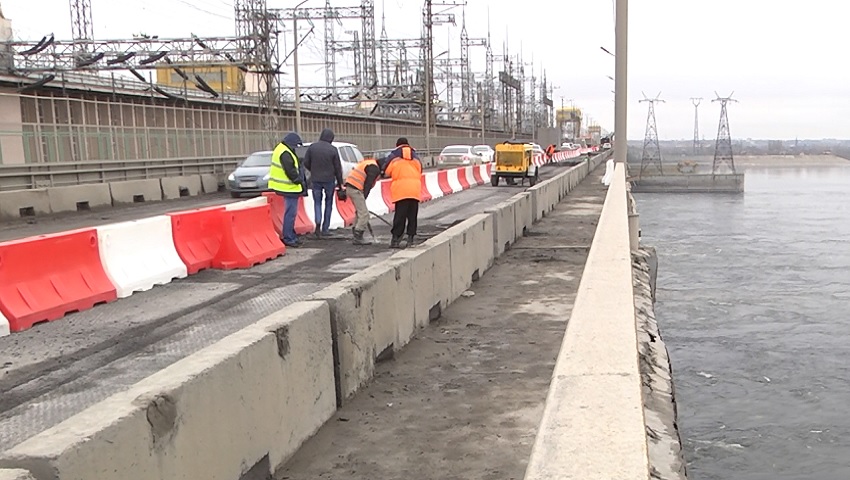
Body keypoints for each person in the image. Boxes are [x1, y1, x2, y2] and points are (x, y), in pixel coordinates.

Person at [268, 132, 307, 248]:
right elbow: (290, 171)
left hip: (286, 187)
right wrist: (298, 180)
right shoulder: (285, 152)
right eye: (296, 145)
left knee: (290, 213)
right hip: (288, 187)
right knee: (290, 213)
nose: (296, 148)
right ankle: (289, 237)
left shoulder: (281, 149)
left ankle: (291, 235)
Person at [304, 128, 344, 238]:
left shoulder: (313, 147)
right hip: (329, 180)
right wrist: (341, 183)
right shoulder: (333, 149)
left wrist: (313, 170)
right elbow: (337, 168)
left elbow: (306, 162)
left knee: (317, 202)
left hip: (316, 179)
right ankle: (325, 228)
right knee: (328, 203)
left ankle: (317, 223)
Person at [383, 137, 422, 249]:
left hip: (400, 190)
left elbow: (386, 171)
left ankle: (395, 239)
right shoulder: (416, 157)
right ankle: (411, 239)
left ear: (397, 145)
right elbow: (420, 170)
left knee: (400, 216)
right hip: (414, 189)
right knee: (412, 216)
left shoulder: (394, 156)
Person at [343, 156, 381, 245]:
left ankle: (356, 232)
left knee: (359, 212)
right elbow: (368, 184)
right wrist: (364, 196)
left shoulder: (368, 163)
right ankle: (358, 236)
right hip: (355, 189)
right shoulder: (374, 168)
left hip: (351, 187)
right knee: (364, 214)